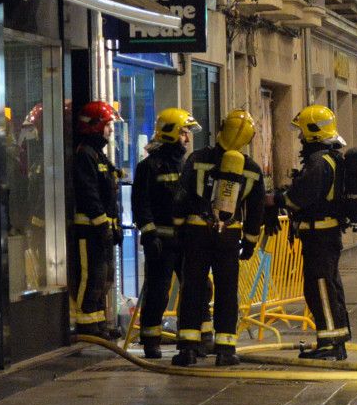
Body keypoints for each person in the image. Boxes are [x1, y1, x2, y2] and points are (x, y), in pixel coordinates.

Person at [172, 109, 265, 367]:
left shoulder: (197, 159)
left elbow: (181, 197)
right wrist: (249, 241)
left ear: (222, 128)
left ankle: (188, 349)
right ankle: (226, 350)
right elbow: (255, 211)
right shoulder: (252, 170)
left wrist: (178, 229)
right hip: (229, 236)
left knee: (192, 289)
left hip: (197, 232)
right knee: (227, 291)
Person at [277, 105, 352, 361]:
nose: (299, 137)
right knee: (329, 286)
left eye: (302, 132)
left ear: (312, 131)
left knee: (319, 288)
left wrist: (278, 199)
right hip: (326, 236)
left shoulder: (319, 162)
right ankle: (336, 340)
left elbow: (300, 197)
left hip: (319, 237)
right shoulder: (332, 159)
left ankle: (330, 343)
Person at [132, 107, 200, 359]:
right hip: (161, 242)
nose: (187, 138)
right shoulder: (149, 166)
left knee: (196, 289)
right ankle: (151, 341)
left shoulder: (187, 165)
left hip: (186, 240)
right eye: (184, 133)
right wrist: (149, 235)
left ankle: (195, 340)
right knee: (158, 292)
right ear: (171, 133)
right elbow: (141, 204)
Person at [69, 100, 123, 338]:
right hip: (89, 229)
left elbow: (109, 194)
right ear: (95, 126)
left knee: (104, 277)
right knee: (89, 276)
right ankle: (84, 322)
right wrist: (102, 224)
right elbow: (88, 193)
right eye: (107, 125)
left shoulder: (99, 156)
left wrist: (115, 225)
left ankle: (99, 322)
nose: (110, 130)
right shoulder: (85, 155)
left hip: (102, 228)